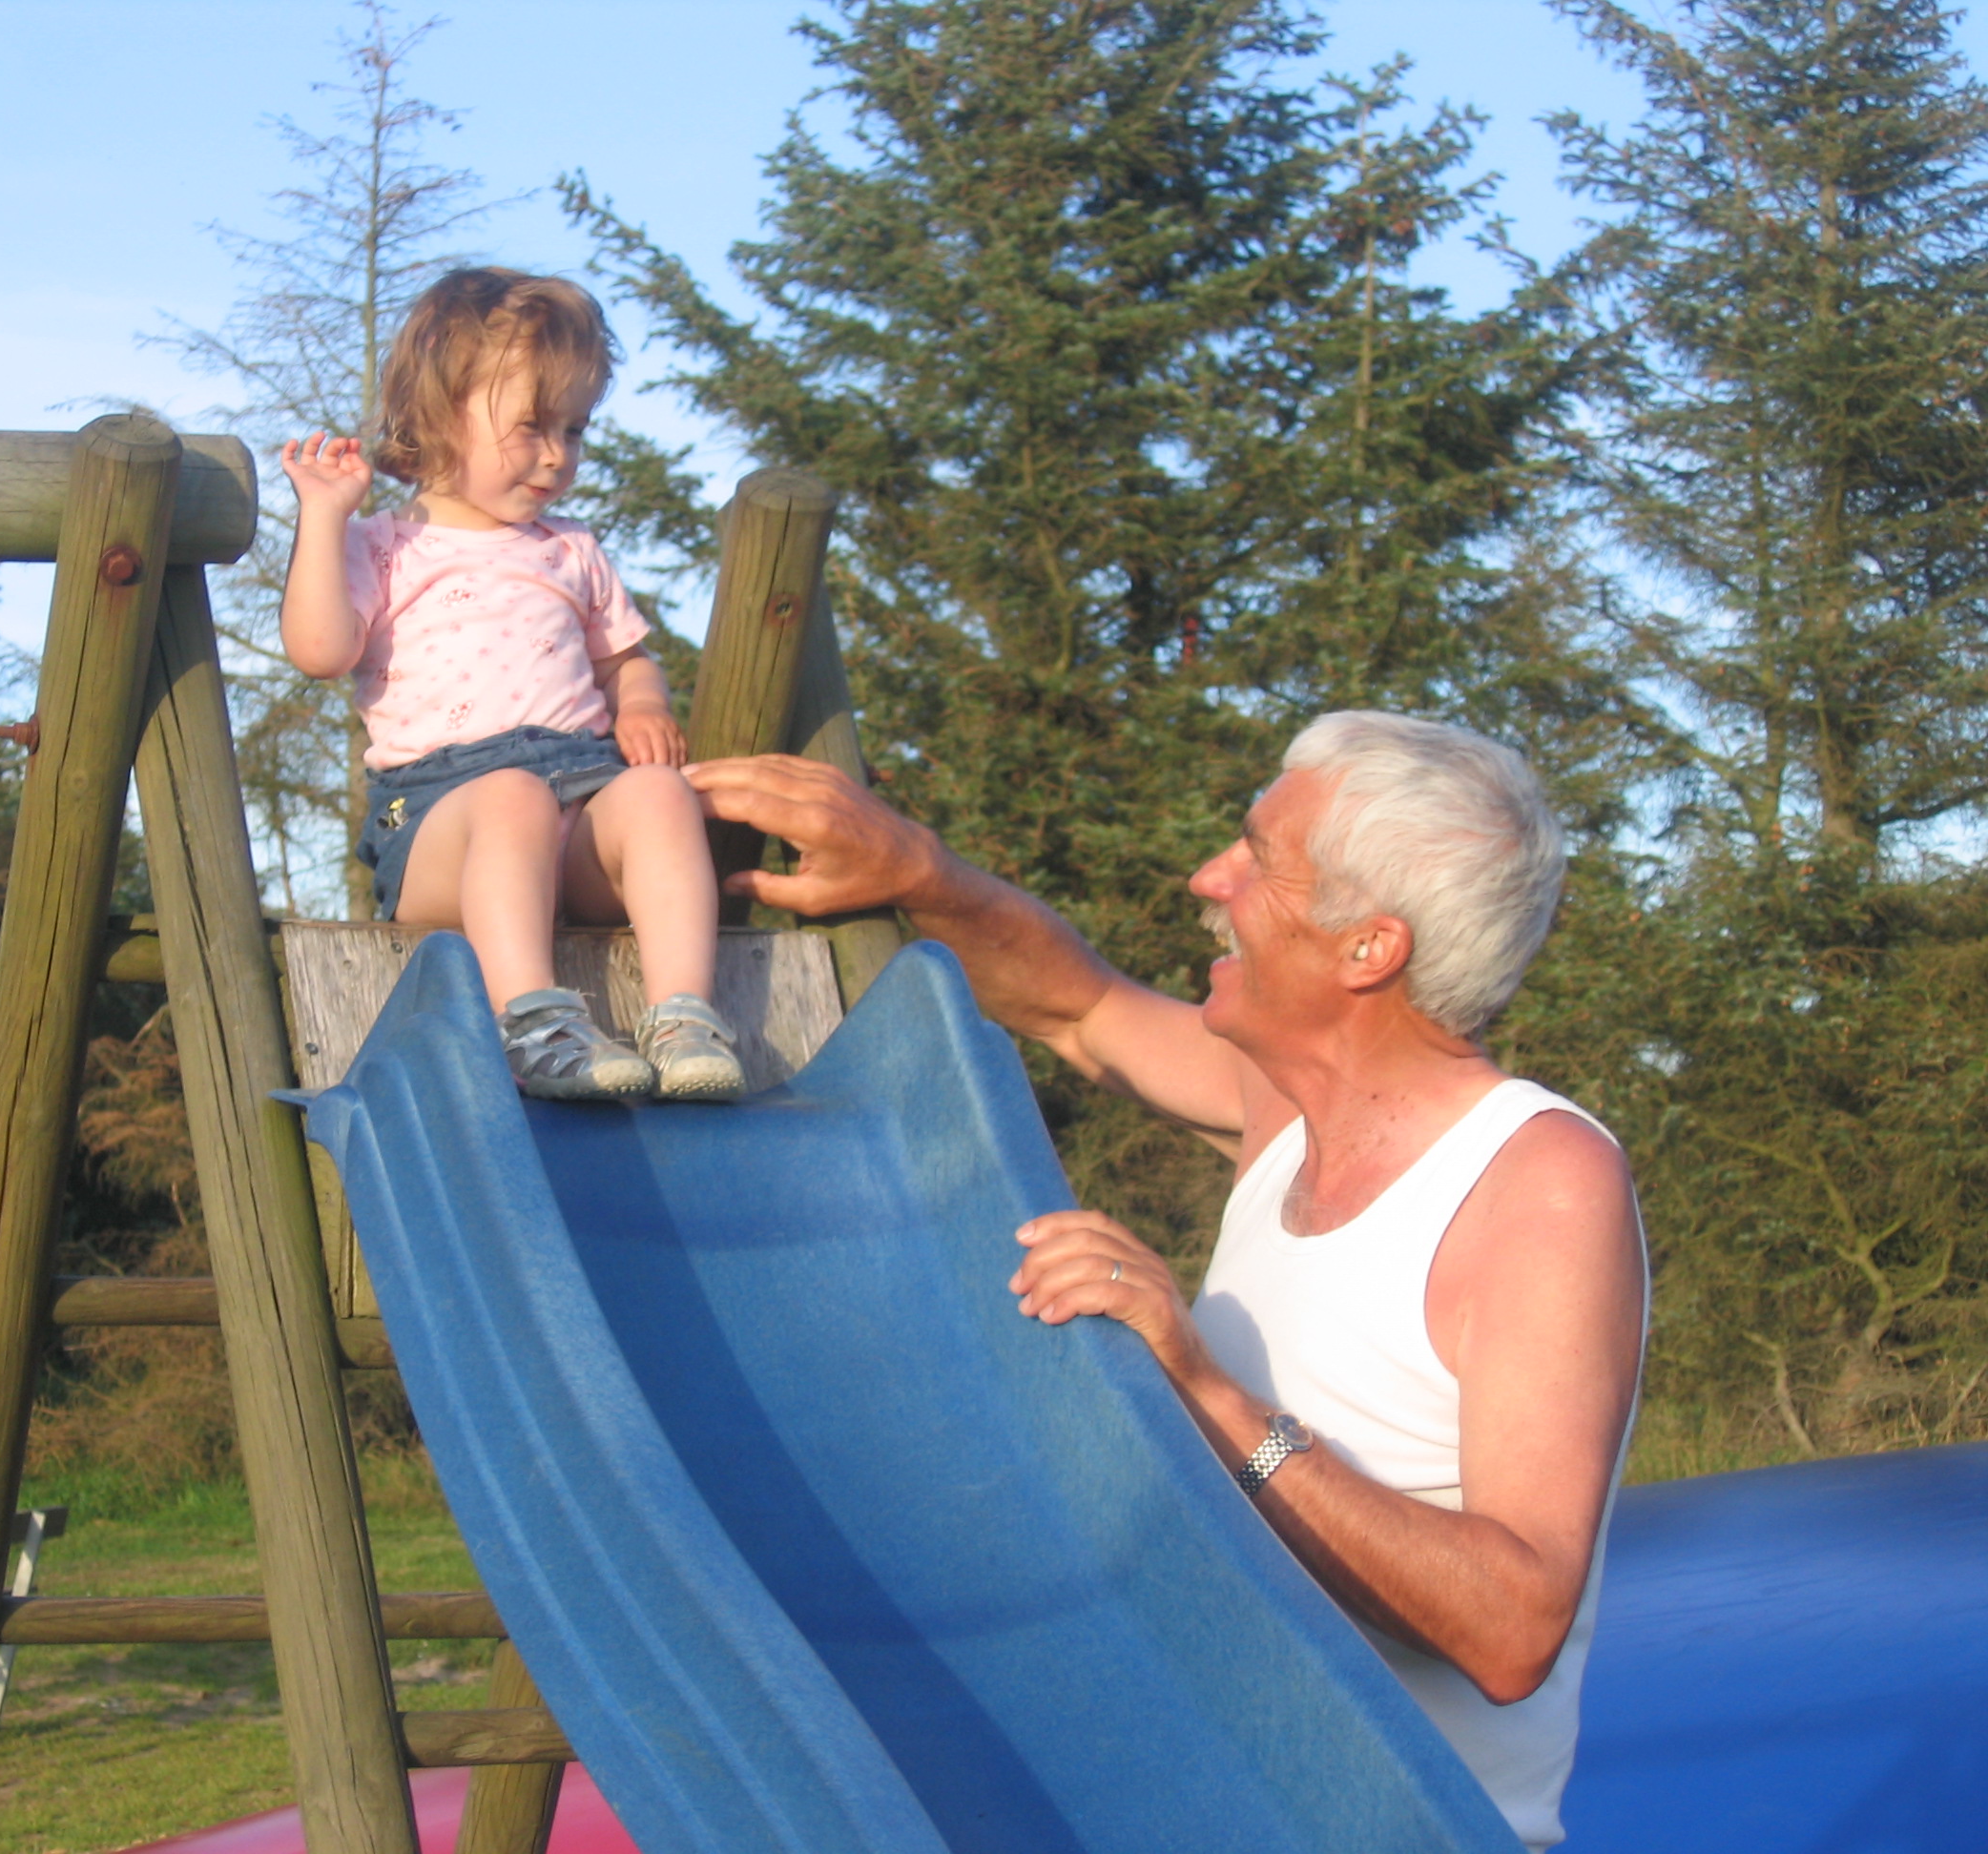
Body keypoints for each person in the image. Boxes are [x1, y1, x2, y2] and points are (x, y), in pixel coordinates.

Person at [685, 713, 1646, 1852]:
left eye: (1260, 859)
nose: (1209, 878)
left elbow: (1514, 1626)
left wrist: (1204, 1390)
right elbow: (1079, 1006)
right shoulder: (1287, 1107)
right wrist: (918, 872)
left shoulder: (1538, 1181)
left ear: (1368, 948)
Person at [279, 267, 741, 1102]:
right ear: (435, 411)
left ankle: (683, 1018)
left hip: (579, 799)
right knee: (512, 797)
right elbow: (319, 649)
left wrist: (642, 702)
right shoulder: (383, 544)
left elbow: (626, 658)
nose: (558, 454)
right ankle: (535, 1026)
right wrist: (322, 517)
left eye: (575, 428)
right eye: (532, 426)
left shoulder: (570, 549)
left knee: (660, 794)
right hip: (437, 821)